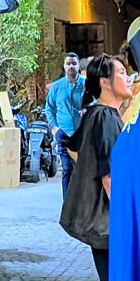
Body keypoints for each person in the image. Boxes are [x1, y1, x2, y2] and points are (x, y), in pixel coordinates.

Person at [59, 54, 134, 281]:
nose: (128, 77)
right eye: (121, 72)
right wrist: (130, 223)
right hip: (113, 228)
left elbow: (73, 149)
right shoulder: (105, 118)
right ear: (105, 82)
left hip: (106, 229)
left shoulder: (96, 115)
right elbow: (110, 178)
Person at [45, 52, 85, 196]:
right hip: (64, 133)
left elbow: (94, 102)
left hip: (82, 134)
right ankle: (67, 206)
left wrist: (87, 110)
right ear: (64, 66)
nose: (71, 66)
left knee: (82, 170)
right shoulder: (57, 86)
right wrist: (54, 128)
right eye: (68, 64)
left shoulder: (86, 84)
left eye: (74, 63)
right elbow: (49, 108)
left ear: (79, 66)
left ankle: (81, 205)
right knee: (67, 169)